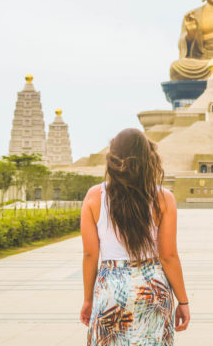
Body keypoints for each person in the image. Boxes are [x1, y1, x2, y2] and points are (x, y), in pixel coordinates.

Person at [80, 128, 190, 345]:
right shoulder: (163, 198)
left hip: (110, 287)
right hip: (152, 288)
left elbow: (90, 255)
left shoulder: (95, 196)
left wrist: (88, 299)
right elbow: (168, 256)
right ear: (149, 158)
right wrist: (183, 301)